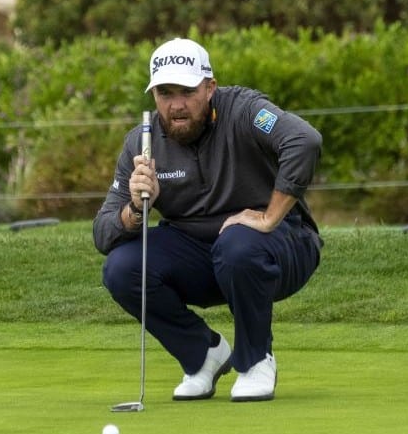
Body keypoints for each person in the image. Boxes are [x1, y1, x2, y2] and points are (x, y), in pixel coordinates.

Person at [93, 38, 324, 402]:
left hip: (281, 247)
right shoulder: (143, 142)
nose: (177, 105)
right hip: (201, 258)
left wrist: (268, 217)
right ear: (153, 96)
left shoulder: (246, 111)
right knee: (121, 268)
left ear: (210, 88)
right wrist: (136, 208)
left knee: (238, 246)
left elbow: (303, 140)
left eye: (187, 91)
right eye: (165, 93)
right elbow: (103, 233)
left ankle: (255, 359)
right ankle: (202, 355)